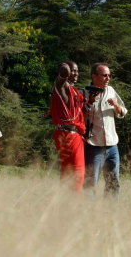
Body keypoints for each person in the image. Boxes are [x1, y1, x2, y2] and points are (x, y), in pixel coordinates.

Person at [83, 63, 127, 198]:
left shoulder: (111, 91)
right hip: (94, 146)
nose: (108, 78)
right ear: (94, 76)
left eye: (109, 75)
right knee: (90, 183)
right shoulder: (83, 93)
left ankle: (110, 214)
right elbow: (78, 116)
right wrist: (89, 103)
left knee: (113, 183)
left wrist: (116, 106)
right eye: (104, 75)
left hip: (112, 146)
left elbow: (123, 112)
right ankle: (87, 214)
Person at [50, 62, 86, 193]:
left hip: (73, 135)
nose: (75, 73)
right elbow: (60, 79)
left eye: (77, 71)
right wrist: (64, 70)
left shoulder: (74, 91)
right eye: (73, 71)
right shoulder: (62, 87)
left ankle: (64, 204)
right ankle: (73, 204)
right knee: (77, 172)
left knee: (69, 172)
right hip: (68, 135)